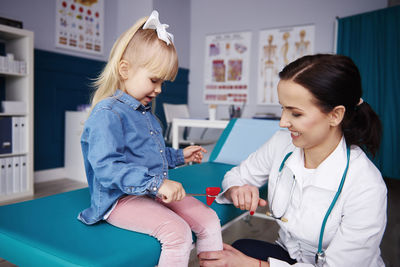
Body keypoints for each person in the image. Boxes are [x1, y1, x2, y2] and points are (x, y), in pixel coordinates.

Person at [198, 54, 387, 267]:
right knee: (239, 250)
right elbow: (236, 175)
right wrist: (237, 189)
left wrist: (254, 265)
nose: (283, 122)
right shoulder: (281, 144)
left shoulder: (366, 185)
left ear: (335, 115)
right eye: (283, 108)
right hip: (293, 255)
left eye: (295, 113)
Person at [77, 10, 223, 267]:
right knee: (177, 233)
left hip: (149, 192)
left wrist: (179, 155)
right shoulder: (107, 114)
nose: (158, 89)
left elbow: (149, 155)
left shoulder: (147, 116)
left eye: (163, 83)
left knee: (209, 218)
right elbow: (107, 168)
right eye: (154, 80)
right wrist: (157, 184)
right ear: (125, 70)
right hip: (119, 199)